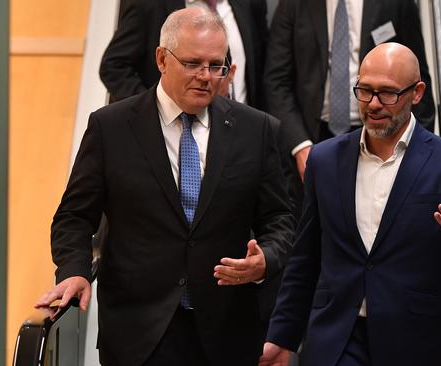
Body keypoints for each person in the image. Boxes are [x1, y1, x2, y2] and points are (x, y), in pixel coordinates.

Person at [36, 8, 294, 366]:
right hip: (138, 334)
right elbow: (75, 216)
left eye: (215, 65)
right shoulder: (110, 127)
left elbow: (281, 218)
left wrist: (267, 258)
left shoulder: (258, 130)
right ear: (162, 59)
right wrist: (75, 269)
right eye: (192, 64)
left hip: (226, 334)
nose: (206, 77)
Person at [259, 43, 441, 366]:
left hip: (416, 343)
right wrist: (281, 337)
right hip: (337, 340)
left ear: (416, 93)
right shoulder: (324, 159)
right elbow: (305, 258)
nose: (373, 104)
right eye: (365, 91)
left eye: (387, 93)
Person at [264, 0, 436, 194]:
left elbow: (418, 79)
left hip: (382, 131)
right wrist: (300, 146)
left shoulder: (396, 3)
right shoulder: (294, 5)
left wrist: (417, 152)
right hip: (314, 135)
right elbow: (276, 82)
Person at [99, 0, 268, 108]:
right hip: (169, 135)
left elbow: (264, 69)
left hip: (236, 133)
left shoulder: (251, 4)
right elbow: (113, 66)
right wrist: (154, 109)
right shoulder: (149, 5)